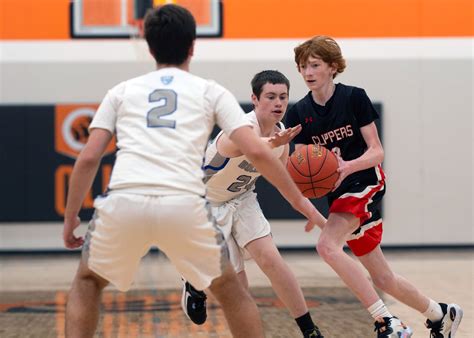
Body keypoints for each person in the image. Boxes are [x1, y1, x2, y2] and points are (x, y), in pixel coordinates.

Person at [62, 5, 322, 338]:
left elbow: (87, 159)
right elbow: (256, 149)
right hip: (186, 202)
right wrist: (304, 204)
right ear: (192, 46)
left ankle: (192, 283)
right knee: (233, 291)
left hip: (127, 198)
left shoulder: (121, 91)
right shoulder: (211, 91)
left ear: (148, 44)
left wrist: (71, 218)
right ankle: (195, 282)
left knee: (87, 281)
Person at [285, 35, 463, 338]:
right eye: (303, 67)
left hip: (365, 180)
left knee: (327, 246)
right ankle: (440, 314)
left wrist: (347, 166)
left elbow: (377, 151)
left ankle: (387, 321)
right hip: (338, 194)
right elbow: (300, 167)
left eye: (314, 65)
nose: (307, 72)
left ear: (332, 67)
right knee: (383, 276)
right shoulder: (299, 112)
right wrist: (306, 200)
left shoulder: (354, 97)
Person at [181, 70, 326, 338]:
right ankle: (194, 281)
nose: (278, 103)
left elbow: (285, 184)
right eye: (270, 96)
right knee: (239, 287)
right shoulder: (238, 128)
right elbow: (251, 146)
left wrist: (318, 220)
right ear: (255, 99)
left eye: (283, 97)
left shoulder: (282, 136)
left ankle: (310, 330)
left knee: (271, 260)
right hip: (205, 206)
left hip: (242, 198)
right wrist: (273, 143)